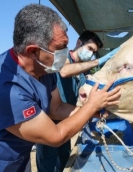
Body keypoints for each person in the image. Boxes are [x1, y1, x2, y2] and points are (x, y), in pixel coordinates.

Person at [0, 4, 120, 172]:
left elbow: (57, 108)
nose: (65, 53)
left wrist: (93, 112)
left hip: (21, 157)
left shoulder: (45, 69)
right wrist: (90, 106)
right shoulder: (7, 88)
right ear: (33, 51)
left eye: (66, 46)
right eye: (60, 48)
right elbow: (55, 136)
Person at [36, 30, 110, 172]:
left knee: (63, 160)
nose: (91, 54)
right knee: (47, 164)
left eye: (94, 52)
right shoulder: (60, 58)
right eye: (90, 48)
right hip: (48, 124)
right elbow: (64, 71)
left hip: (66, 123)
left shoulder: (82, 72)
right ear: (78, 43)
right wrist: (97, 61)